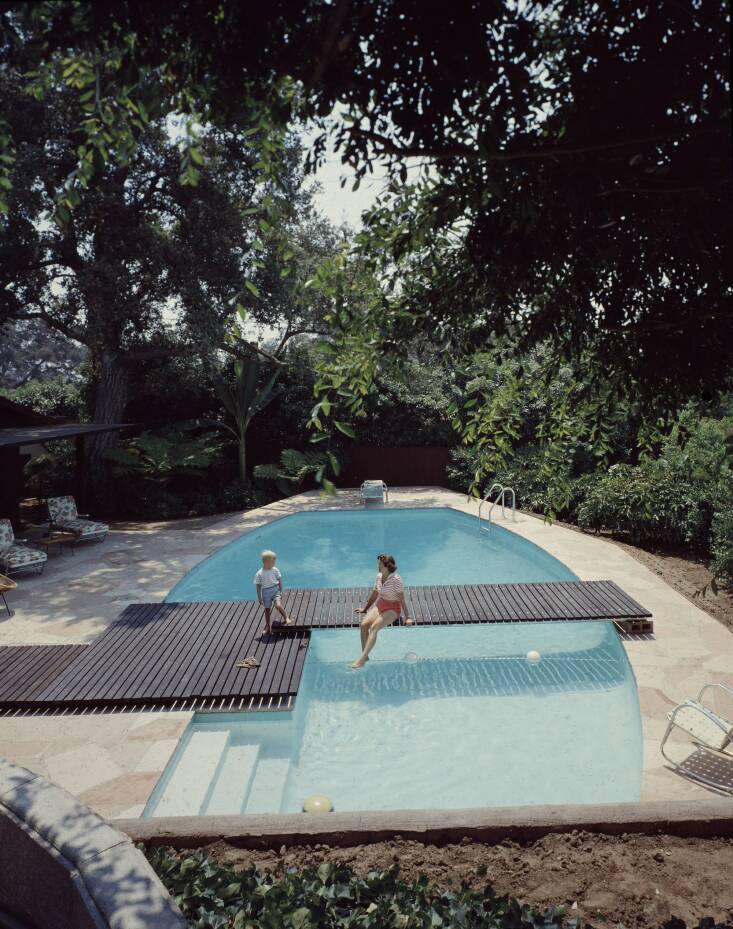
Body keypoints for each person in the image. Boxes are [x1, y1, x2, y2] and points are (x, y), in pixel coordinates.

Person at [350, 553, 412, 669]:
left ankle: (361, 659)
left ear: (387, 566)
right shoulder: (378, 576)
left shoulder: (396, 580)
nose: (378, 566)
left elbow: (402, 600)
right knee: (363, 625)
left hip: (393, 608)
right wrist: (365, 609)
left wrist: (408, 617)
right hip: (381, 604)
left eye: (380, 564)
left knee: (374, 627)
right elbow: (375, 594)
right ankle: (366, 655)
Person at [254, 549, 292, 634]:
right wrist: (259, 597)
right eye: (273, 561)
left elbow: (279, 579)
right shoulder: (259, 573)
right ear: (266, 562)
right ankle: (268, 627)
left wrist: (280, 590)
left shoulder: (275, 570)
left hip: (275, 590)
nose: (275, 563)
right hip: (265, 592)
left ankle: (286, 617)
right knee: (267, 610)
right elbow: (258, 587)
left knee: (278, 605)